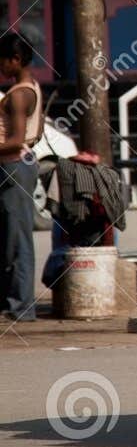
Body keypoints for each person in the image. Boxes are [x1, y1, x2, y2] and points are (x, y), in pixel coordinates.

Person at [0, 32, 45, 322]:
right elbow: (35, 134)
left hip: (13, 166)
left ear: (15, 60)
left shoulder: (18, 95)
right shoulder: (33, 88)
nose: (1, 67)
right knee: (12, 237)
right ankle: (14, 301)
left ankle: (22, 306)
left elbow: (17, 139)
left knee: (17, 240)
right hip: (20, 166)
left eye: (3, 61)